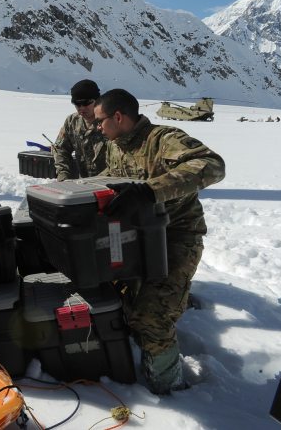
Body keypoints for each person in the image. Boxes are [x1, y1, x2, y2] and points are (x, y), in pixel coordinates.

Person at [93, 88, 225, 395]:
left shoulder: (163, 139)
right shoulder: (116, 146)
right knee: (122, 299)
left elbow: (212, 164)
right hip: (139, 236)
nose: (96, 127)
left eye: (100, 120)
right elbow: (111, 176)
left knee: (152, 316)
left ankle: (171, 389)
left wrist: (150, 191)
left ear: (118, 116)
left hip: (177, 236)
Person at [53, 79, 108, 181]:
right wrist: (63, 174)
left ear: (97, 101)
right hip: (84, 185)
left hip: (108, 184)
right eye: (77, 104)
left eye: (86, 103)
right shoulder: (72, 121)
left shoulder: (109, 122)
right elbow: (61, 149)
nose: (82, 108)